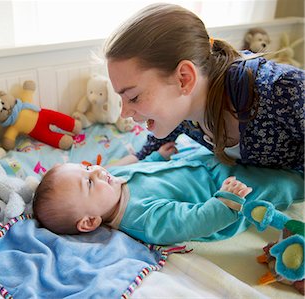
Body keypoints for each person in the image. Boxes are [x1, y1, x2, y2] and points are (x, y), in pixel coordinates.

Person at [103, 3, 304, 171]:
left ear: (184, 79)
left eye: (134, 97)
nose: (124, 113)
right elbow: (144, 153)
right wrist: (99, 173)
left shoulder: (282, 91)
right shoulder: (181, 114)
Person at [32, 144, 304, 245]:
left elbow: (144, 167)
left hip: (202, 163)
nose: (97, 171)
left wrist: (157, 157)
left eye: (87, 167)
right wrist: (225, 203)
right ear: (90, 221)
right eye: (89, 183)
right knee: (281, 183)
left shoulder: (114, 184)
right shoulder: (142, 219)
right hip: (226, 191)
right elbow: (190, 221)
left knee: (261, 148)